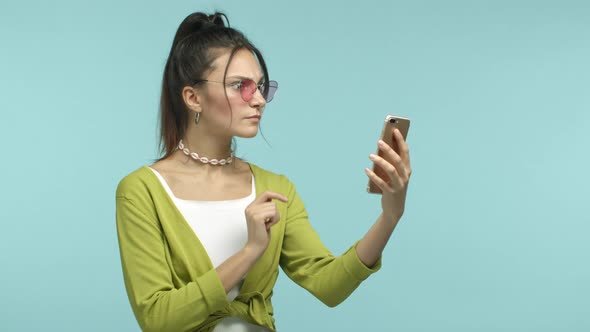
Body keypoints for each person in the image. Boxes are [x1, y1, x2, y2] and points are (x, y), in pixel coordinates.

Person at [115, 11, 412, 332]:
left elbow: (330, 286)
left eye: (260, 87)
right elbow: (158, 320)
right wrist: (250, 251)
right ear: (193, 97)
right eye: (240, 86)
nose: (258, 100)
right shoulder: (141, 191)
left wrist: (390, 215)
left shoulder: (276, 188)